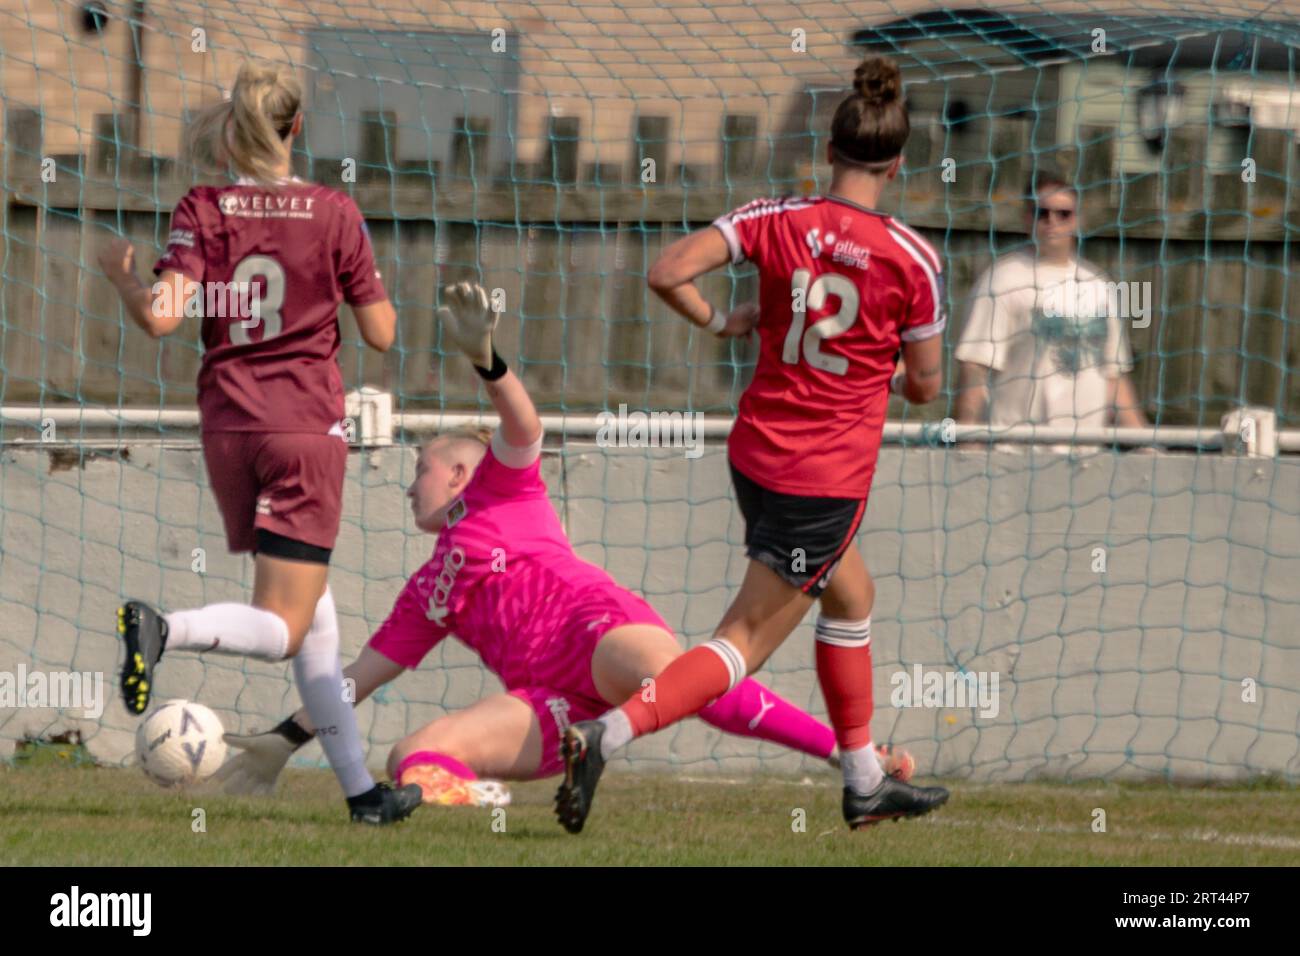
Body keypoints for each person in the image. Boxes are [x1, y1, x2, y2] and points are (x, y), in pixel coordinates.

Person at [213, 282, 917, 804]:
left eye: (420, 468)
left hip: (600, 634)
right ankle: (477, 802)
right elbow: (358, 678)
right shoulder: (426, 591)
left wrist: (488, 360)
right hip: (549, 706)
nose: (409, 485)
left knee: (655, 673)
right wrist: (286, 737)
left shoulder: (501, 489)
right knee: (414, 754)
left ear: (461, 472)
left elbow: (524, 429)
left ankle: (852, 757)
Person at [555, 56, 951, 834]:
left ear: (829, 151)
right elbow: (929, 386)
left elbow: (668, 271)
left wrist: (721, 320)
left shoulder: (772, 217)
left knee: (852, 595)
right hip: (823, 477)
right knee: (742, 639)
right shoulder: (913, 259)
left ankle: (865, 778)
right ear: (898, 162)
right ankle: (608, 732)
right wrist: (884, 366)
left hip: (757, 455)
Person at [97, 62, 421, 824]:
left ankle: (363, 796)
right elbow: (381, 335)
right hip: (303, 429)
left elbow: (161, 320)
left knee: (316, 621)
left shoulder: (201, 207)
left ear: (233, 130)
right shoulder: (334, 211)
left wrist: (121, 279)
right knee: (282, 630)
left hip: (229, 433)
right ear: (296, 127)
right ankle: (162, 627)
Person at [953, 172, 1148, 438]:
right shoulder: (1002, 281)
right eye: (1041, 213)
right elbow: (975, 368)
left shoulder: (1099, 286)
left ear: (1077, 220)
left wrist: (1146, 443)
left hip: (1086, 456)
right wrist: (968, 442)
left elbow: (1114, 377)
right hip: (1016, 450)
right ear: (1027, 219)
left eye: (1063, 214)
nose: (1052, 222)